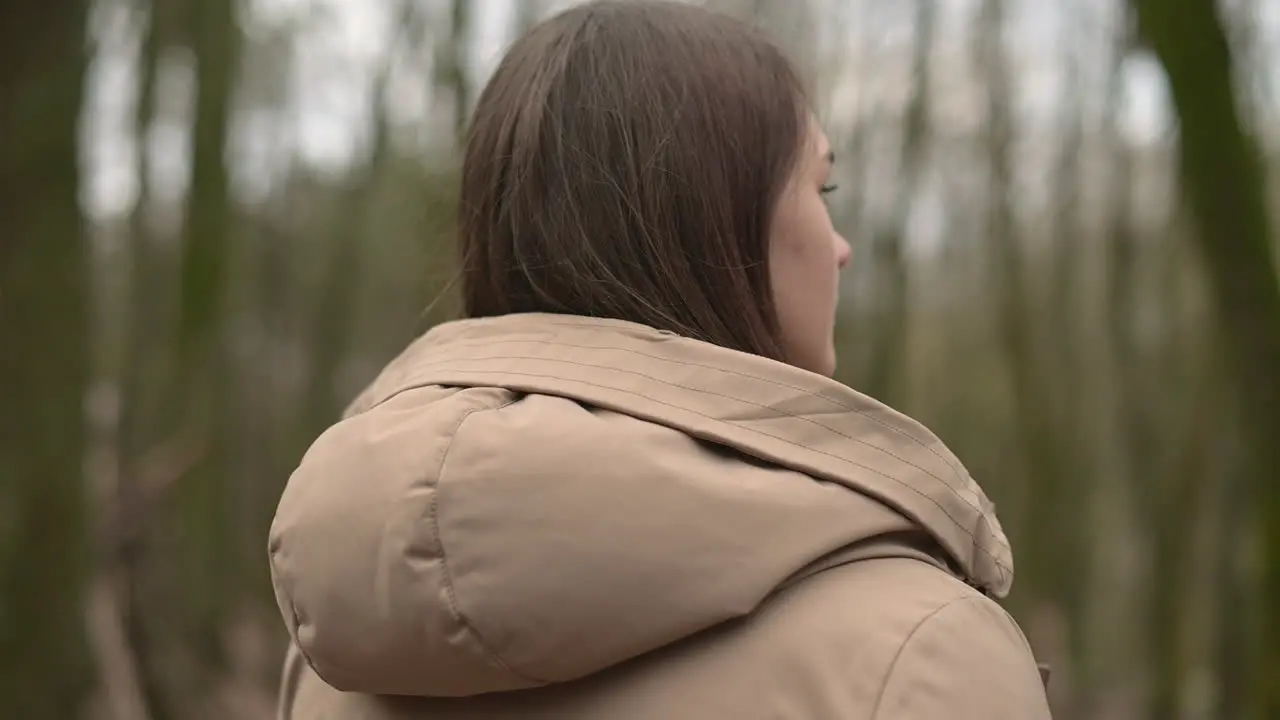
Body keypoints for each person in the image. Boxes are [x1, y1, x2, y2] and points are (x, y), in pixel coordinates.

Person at [267, 1, 1053, 718]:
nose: (841, 248)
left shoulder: (341, 649)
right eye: (825, 187)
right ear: (713, 230)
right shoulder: (919, 653)